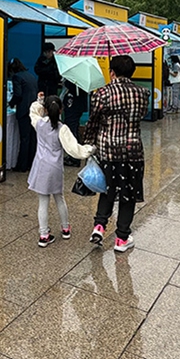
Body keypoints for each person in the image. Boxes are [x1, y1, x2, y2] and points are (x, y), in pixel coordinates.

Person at [83, 55, 150, 253]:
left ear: (111, 72)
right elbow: (140, 116)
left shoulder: (101, 93)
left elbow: (92, 123)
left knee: (107, 189)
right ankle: (121, 238)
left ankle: (99, 226)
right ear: (132, 72)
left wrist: (88, 144)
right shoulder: (142, 93)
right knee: (128, 195)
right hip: (133, 152)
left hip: (107, 151)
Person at [28, 94, 95, 247]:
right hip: (55, 169)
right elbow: (74, 149)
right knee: (59, 198)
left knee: (43, 202)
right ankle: (65, 228)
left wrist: (39, 101)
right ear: (61, 110)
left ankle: (44, 235)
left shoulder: (39, 123)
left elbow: (32, 110)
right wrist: (90, 149)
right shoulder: (62, 129)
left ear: (45, 109)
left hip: (40, 167)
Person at [8, 58, 39, 172]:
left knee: (24, 139)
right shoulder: (31, 76)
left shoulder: (17, 77)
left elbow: (18, 95)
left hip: (24, 111)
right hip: (33, 110)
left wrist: (10, 103)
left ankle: (22, 166)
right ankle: (31, 163)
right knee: (32, 138)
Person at [62, 79, 90, 166]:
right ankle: (74, 156)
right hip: (76, 105)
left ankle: (74, 158)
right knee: (74, 129)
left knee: (72, 131)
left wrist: (66, 81)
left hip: (74, 105)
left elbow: (71, 86)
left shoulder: (77, 79)